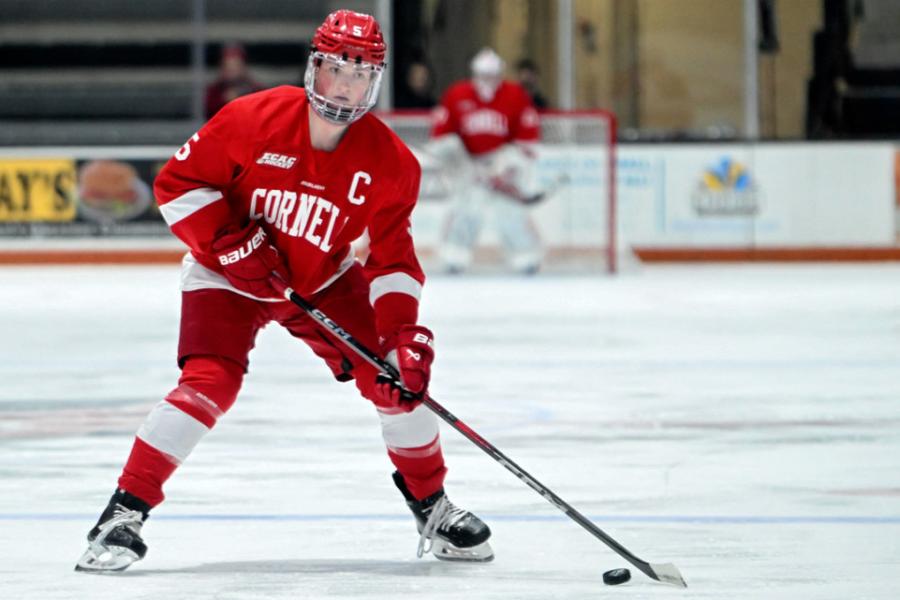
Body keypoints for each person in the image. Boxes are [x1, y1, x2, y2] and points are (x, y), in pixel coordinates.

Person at [75, 9, 493, 573]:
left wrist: (403, 335)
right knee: (210, 382)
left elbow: (394, 260)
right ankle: (123, 513)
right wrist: (227, 244)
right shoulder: (253, 117)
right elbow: (176, 184)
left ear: (375, 82)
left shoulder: (392, 163)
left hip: (320, 280)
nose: (344, 87)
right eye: (335, 70)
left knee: (396, 381)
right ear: (313, 67)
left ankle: (433, 507)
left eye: (359, 75)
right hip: (226, 275)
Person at [429, 47, 543, 274]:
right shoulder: (457, 95)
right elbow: (442, 138)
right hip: (467, 163)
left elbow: (527, 140)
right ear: (475, 74)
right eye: (483, 75)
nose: (488, 81)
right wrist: (463, 166)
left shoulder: (515, 95)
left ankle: (526, 257)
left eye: (492, 76)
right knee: (466, 208)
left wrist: (506, 165)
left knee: (510, 210)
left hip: (502, 163)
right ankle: (454, 256)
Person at [204, 43, 264, 119]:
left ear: (243, 67)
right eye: (227, 66)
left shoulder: (256, 90)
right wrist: (223, 101)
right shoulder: (214, 91)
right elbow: (207, 112)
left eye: (236, 66)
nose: (231, 70)